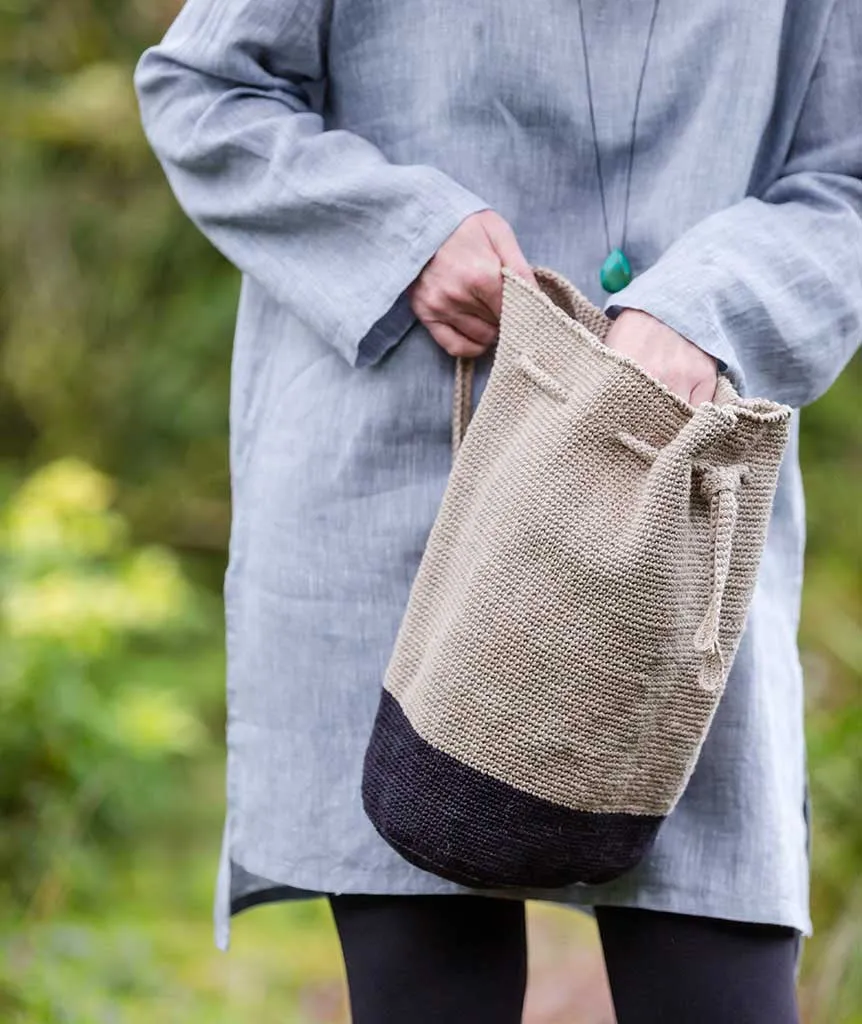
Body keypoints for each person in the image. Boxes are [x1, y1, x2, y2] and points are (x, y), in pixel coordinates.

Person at [134, 0, 862, 1020]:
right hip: (393, 505)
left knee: (720, 982)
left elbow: (846, 177)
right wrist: (406, 233)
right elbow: (202, 89)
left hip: (677, 531)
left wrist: (708, 306)